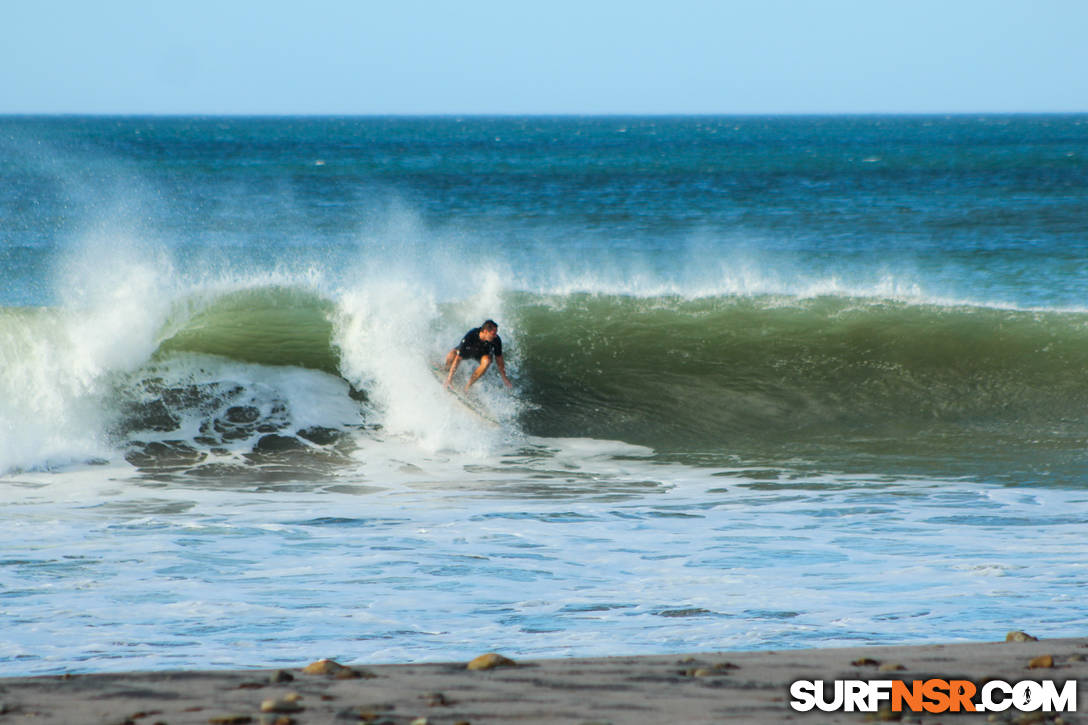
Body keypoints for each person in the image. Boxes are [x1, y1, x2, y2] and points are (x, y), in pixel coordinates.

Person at [443, 319, 513, 392]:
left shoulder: (496, 340)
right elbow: (458, 358)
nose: (495, 336)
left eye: (496, 333)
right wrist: (449, 379)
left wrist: (504, 378)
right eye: (493, 333)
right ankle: (445, 370)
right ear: (485, 331)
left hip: (482, 355)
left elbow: (499, 359)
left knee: (487, 361)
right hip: (468, 351)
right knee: (452, 353)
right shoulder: (471, 334)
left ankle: (467, 387)